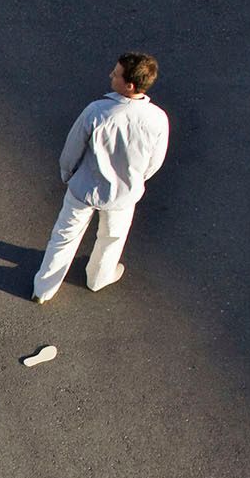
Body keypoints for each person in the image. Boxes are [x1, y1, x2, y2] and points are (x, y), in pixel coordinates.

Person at [33, 53, 169, 302]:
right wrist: (136, 180)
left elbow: (72, 148)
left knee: (64, 237)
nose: (111, 75)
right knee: (112, 238)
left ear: (129, 85)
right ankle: (98, 278)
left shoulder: (97, 111)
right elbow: (154, 162)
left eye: (116, 73)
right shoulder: (158, 119)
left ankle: (44, 289)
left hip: (84, 189)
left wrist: (67, 173)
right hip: (123, 196)